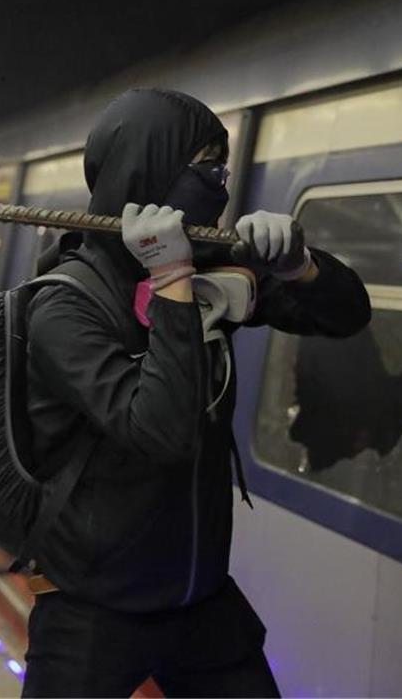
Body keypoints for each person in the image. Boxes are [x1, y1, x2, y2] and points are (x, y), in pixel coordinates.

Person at [20, 88, 371, 697]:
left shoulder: (210, 266)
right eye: (206, 167)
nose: (221, 184)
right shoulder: (66, 305)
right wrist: (171, 282)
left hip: (196, 593)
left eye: (223, 167)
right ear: (147, 170)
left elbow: (345, 316)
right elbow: (160, 430)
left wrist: (299, 266)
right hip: (93, 604)